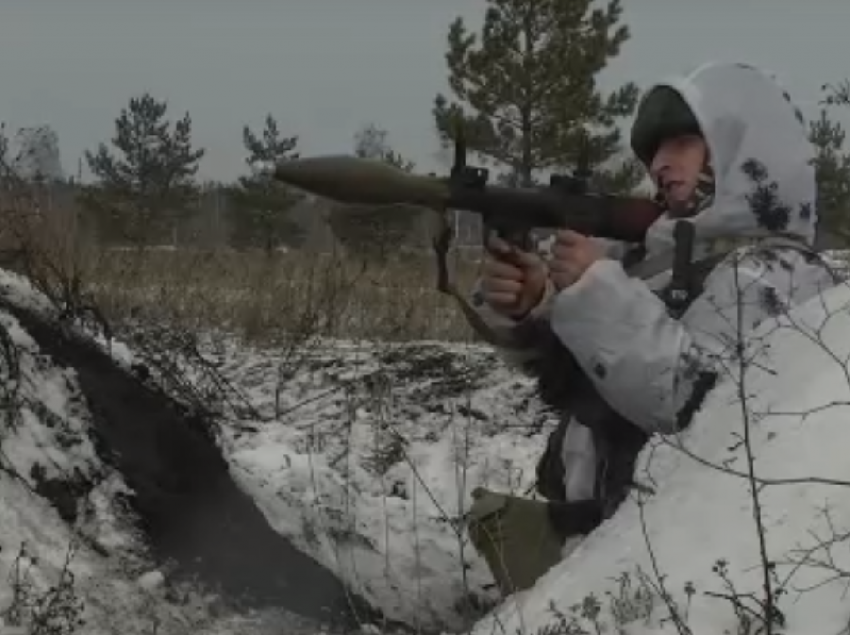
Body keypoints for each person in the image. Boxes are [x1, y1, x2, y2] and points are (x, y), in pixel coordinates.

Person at [463, 61, 842, 596]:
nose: (660, 164)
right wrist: (538, 308)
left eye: (684, 142)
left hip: (693, 578)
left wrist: (593, 292)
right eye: (654, 151)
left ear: (741, 151)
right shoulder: (654, 258)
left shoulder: (779, 274)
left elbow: (693, 404)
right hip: (603, 544)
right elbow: (582, 379)